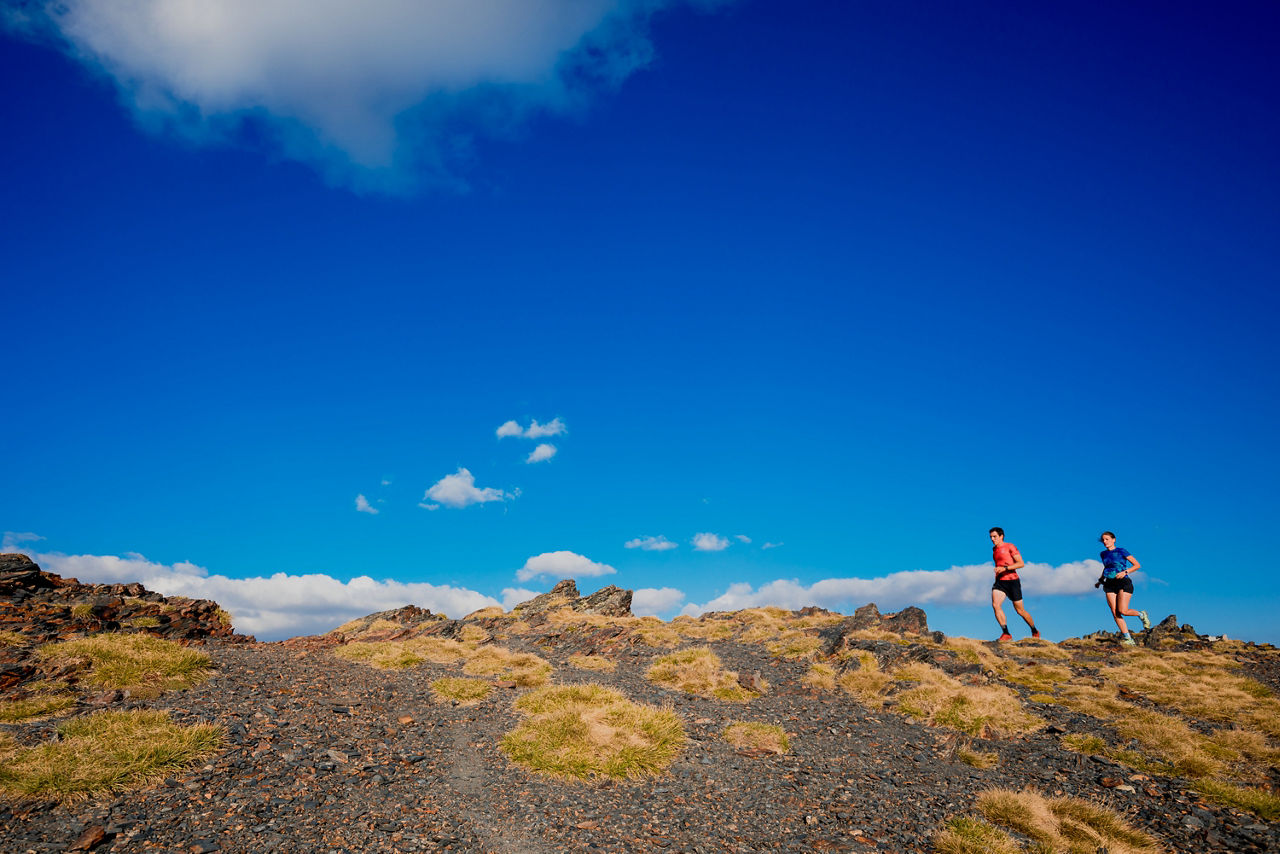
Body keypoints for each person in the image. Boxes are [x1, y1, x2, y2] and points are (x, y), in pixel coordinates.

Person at [1094, 531, 1150, 646]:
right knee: (1115, 613)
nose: (1105, 542)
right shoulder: (1103, 554)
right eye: (1103, 540)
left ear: (1113, 539)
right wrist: (1100, 581)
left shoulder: (1121, 551)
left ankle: (1141, 615)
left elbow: (1137, 565)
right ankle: (1128, 638)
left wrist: (1125, 572)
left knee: (1123, 611)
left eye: (1107, 539)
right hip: (1109, 584)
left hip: (1123, 582)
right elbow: (1107, 568)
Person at [989, 527, 1040, 642]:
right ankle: (1006, 634)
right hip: (1000, 582)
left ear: (1001, 536)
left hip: (1012, 581)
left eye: (994, 536)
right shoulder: (994, 550)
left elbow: (1021, 564)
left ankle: (1034, 630)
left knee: (1020, 611)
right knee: (996, 605)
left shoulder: (1010, 547)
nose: (992, 539)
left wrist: (1005, 568)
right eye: (991, 537)